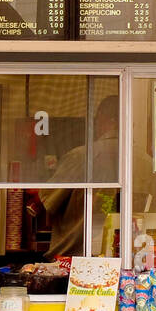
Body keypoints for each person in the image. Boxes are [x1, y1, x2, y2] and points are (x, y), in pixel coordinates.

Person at [41, 95, 121, 257]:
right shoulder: (147, 162)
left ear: (104, 119)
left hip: (74, 256)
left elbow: (47, 201)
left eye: (97, 120)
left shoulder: (80, 157)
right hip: (123, 254)